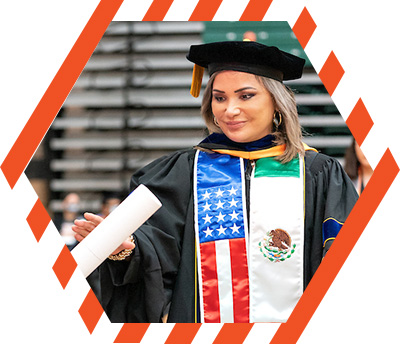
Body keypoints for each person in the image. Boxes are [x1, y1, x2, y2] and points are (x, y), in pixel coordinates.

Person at [72, 41, 358, 323]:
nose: (229, 110)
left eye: (245, 96)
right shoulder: (185, 171)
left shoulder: (318, 174)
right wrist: (128, 247)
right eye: (220, 97)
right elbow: (157, 247)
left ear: (277, 103)